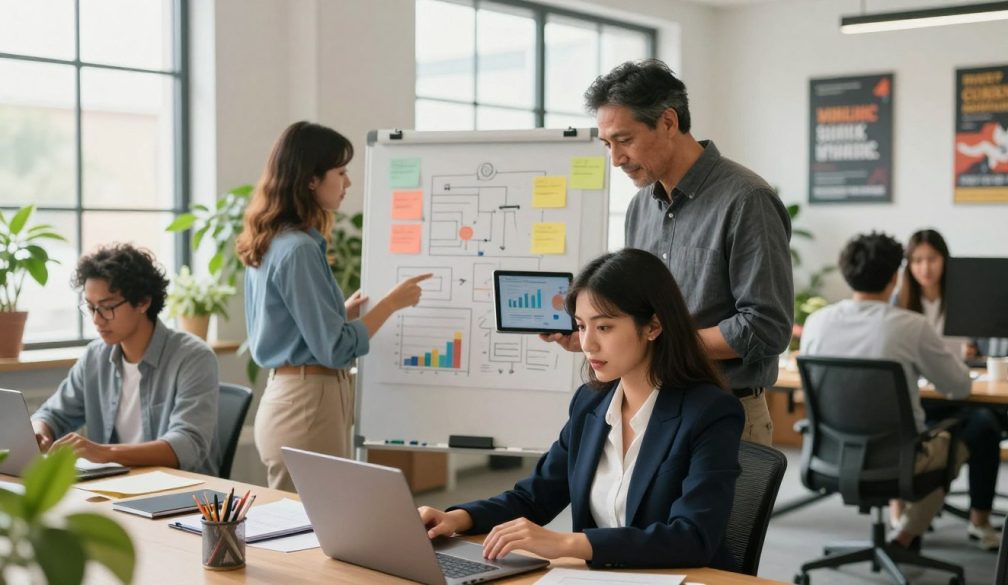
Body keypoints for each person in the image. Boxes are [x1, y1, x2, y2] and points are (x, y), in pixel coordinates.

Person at [419, 248, 743, 569]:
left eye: (604, 327)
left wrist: (566, 544)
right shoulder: (590, 403)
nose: (587, 344)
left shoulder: (709, 413)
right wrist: (456, 518)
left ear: (653, 327)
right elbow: (536, 496)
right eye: (582, 326)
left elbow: (693, 537)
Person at [544, 59, 793, 446]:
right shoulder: (640, 207)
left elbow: (766, 328)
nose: (616, 159)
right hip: (651, 409)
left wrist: (658, 343)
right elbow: (639, 313)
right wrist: (603, 335)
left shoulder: (747, 200)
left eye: (625, 140)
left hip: (725, 414)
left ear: (668, 122)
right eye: (607, 144)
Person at [237, 121, 430, 491]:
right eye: (341, 173)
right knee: (309, 536)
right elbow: (335, 349)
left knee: (304, 531)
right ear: (311, 179)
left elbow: (291, 327)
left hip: (293, 399)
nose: (348, 183)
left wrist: (339, 313)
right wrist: (390, 304)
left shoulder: (277, 241)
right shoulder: (299, 249)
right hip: (308, 406)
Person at [801, 231, 970, 550]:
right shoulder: (910, 326)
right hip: (900, 460)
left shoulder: (816, 323)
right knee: (960, 441)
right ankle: (905, 535)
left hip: (831, 455)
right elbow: (959, 387)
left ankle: (898, 525)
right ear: (896, 276)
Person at [32, 243, 220, 475]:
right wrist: (38, 431)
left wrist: (105, 453)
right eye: (91, 308)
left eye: (107, 307)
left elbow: (187, 445)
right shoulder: (95, 356)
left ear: (143, 302)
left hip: (183, 493)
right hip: (115, 488)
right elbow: (52, 415)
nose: (97, 320)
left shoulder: (193, 357)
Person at [895, 228, 1004, 550]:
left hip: (956, 392)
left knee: (987, 425)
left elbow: (987, 348)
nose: (924, 268)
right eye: (916, 260)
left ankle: (979, 521)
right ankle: (899, 516)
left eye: (931, 259)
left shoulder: (966, 297)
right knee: (901, 428)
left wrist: (976, 352)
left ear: (945, 260)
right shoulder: (898, 302)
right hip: (917, 396)